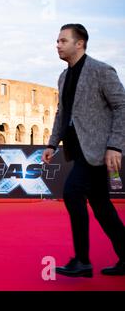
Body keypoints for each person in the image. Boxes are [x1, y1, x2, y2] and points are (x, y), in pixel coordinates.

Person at [42, 24, 125, 277]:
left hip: (99, 150)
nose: (57, 45)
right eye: (57, 41)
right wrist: (52, 143)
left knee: (72, 192)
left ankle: (82, 260)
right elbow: (62, 113)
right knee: (101, 205)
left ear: (80, 44)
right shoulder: (63, 76)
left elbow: (122, 107)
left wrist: (115, 146)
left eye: (63, 41)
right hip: (77, 149)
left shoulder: (101, 70)